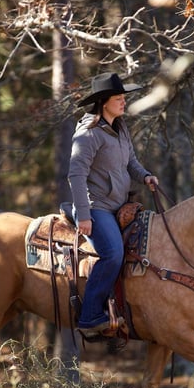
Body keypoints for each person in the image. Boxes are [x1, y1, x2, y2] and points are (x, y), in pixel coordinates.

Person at [68, 72, 159, 338]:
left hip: (119, 206)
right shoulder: (88, 134)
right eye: (118, 98)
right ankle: (90, 317)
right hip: (96, 208)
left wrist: (145, 176)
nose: (123, 102)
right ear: (104, 102)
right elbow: (76, 175)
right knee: (113, 254)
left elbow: (131, 162)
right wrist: (84, 215)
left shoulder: (120, 128)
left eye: (123, 98)